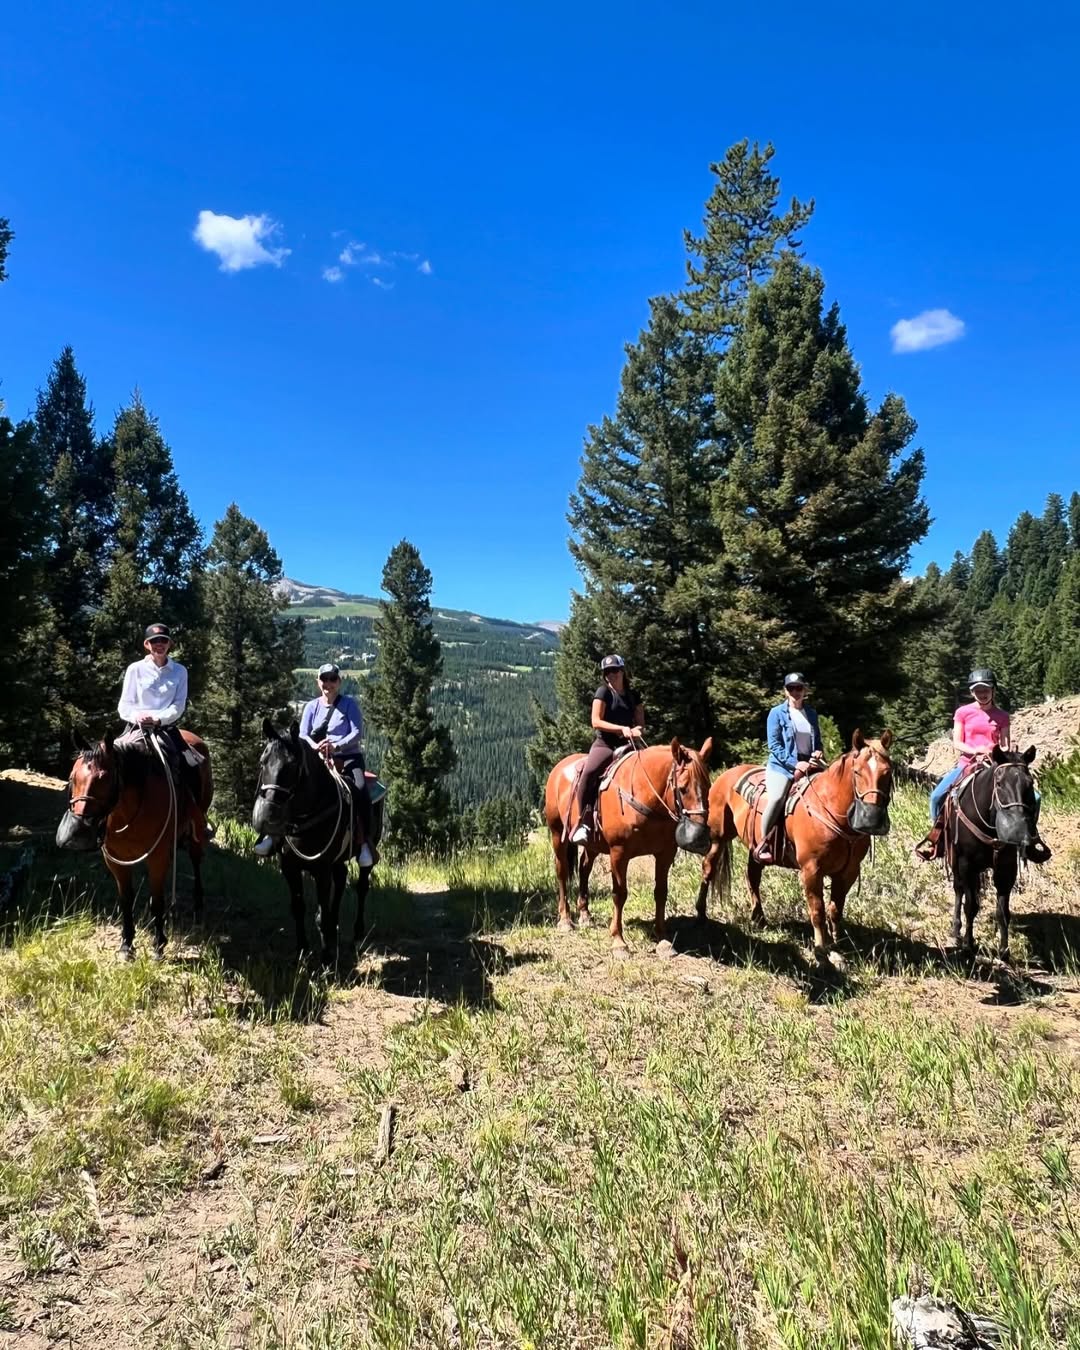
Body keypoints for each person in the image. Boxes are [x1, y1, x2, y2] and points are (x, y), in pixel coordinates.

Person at [916, 668, 1049, 863]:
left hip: (994, 764)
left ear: (993, 690)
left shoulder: (1002, 716)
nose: (982, 693)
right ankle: (938, 839)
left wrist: (996, 753)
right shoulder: (963, 713)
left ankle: (1029, 839)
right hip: (967, 764)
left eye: (986, 689)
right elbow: (957, 742)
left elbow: (1005, 745)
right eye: (978, 690)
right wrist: (977, 750)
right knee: (936, 797)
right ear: (972, 692)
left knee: (1035, 797)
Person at [255, 663, 374, 865]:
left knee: (360, 790)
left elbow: (356, 733)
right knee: (289, 786)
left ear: (339, 682)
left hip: (347, 758)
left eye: (332, 679)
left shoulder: (349, 705)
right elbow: (303, 734)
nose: (328, 683)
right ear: (318, 682)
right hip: (316, 759)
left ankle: (364, 843)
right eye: (324, 679)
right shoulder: (311, 707)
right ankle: (273, 835)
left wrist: (336, 746)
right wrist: (315, 746)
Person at [117, 622, 209, 844]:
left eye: (163, 641)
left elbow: (178, 705)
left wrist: (158, 719)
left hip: (165, 728)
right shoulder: (135, 669)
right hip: (137, 726)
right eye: (155, 641)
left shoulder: (180, 671)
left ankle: (196, 816)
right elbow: (124, 705)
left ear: (169, 644)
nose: (159, 644)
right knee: (112, 761)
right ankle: (100, 819)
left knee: (190, 764)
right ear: (147, 644)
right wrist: (137, 716)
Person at [571, 654, 645, 844]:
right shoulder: (603, 692)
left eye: (615, 670)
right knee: (589, 774)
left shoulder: (633, 696)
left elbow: (640, 723)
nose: (611, 674)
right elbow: (596, 721)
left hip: (628, 745)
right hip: (606, 745)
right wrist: (621, 729)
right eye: (607, 672)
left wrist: (637, 730)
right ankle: (583, 822)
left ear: (623, 671)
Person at [753, 672, 825, 864]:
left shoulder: (811, 714)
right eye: (791, 688)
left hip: (809, 764)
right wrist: (795, 763)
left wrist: (818, 752)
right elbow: (774, 745)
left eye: (799, 688)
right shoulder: (776, 713)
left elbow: (817, 741)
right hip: (782, 766)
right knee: (777, 798)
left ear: (805, 690)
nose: (795, 692)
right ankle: (763, 843)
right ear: (785, 691)